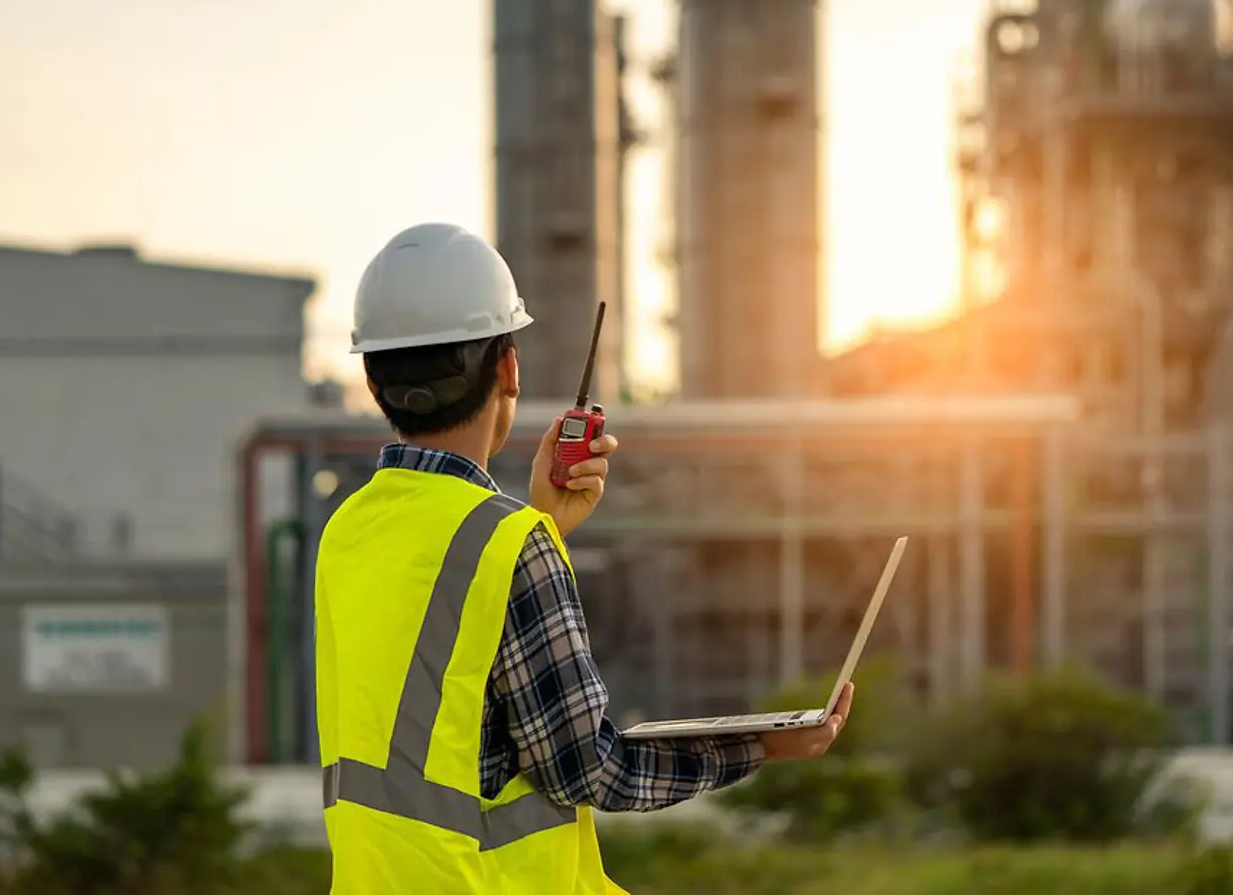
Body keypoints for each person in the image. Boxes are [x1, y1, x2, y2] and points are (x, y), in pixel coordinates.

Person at [316, 222, 854, 894]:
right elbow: (590, 769)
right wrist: (762, 744)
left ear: (372, 375)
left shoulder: (349, 532)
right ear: (508, 367)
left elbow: (449, 709)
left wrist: (538, 524)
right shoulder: (508, 545)